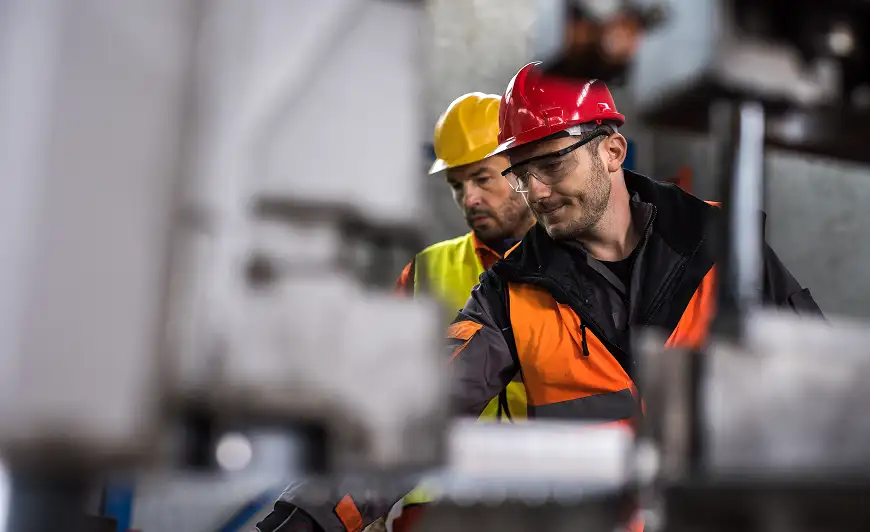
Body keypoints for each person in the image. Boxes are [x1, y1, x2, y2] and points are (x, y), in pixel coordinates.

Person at [255, 62, 822, 532]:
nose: (537, 191)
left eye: (552, 164)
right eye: (522, 173)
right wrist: (302, 518)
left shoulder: (723, 243)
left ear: (612, 150)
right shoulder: (509, 291)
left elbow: (821, 385)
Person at [255, 92, 535, 532]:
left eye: (482, 178)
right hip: (429, 509)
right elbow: (383, 397)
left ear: (522, 169)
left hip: (544, 500)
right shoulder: (426, 269)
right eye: (457, 185)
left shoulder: (572, 270)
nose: (470, 198)